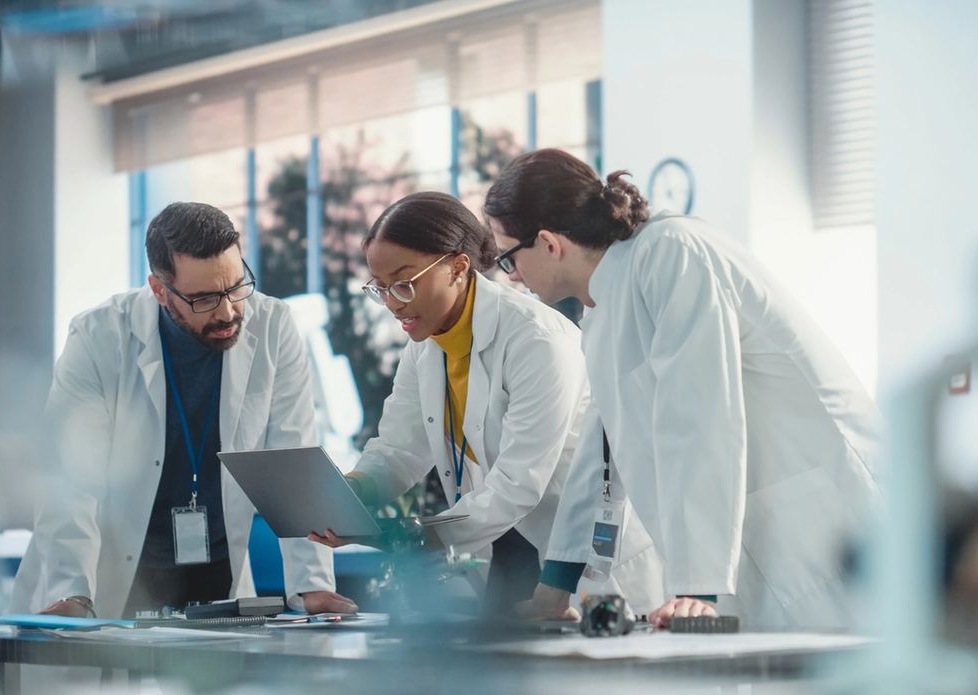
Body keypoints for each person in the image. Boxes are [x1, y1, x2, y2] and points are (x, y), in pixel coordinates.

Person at [483, 149, 884, 629]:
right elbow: (603, 452)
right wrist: (556, 585)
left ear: (548, 243)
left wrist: (696, 585)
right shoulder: (603, 308)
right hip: (755, 540)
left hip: (813, 519)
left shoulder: (671, 252)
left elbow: (700, 415)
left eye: (508, 258)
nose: (511, 276)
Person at [309, 191, 664, 616]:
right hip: (504, 555)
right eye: (379, 287)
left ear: (458, 267)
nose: (391, 303)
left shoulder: (536, 340)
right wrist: (355, 492)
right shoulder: (426, 346)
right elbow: (399, 449)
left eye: (403, 284)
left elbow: (517, 487)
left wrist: (406, 535)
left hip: (579, 559)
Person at [9, 202, 355, 619]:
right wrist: (73, 591)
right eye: (205, 298)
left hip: (219, 568)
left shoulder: (273, 326)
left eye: (235, 287)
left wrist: (312, 586)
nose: (228, 312)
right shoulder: (99, 335)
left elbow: (292, 464)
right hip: (113, 570)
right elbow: (69, 479)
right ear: (160, 290)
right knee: (98, 680)